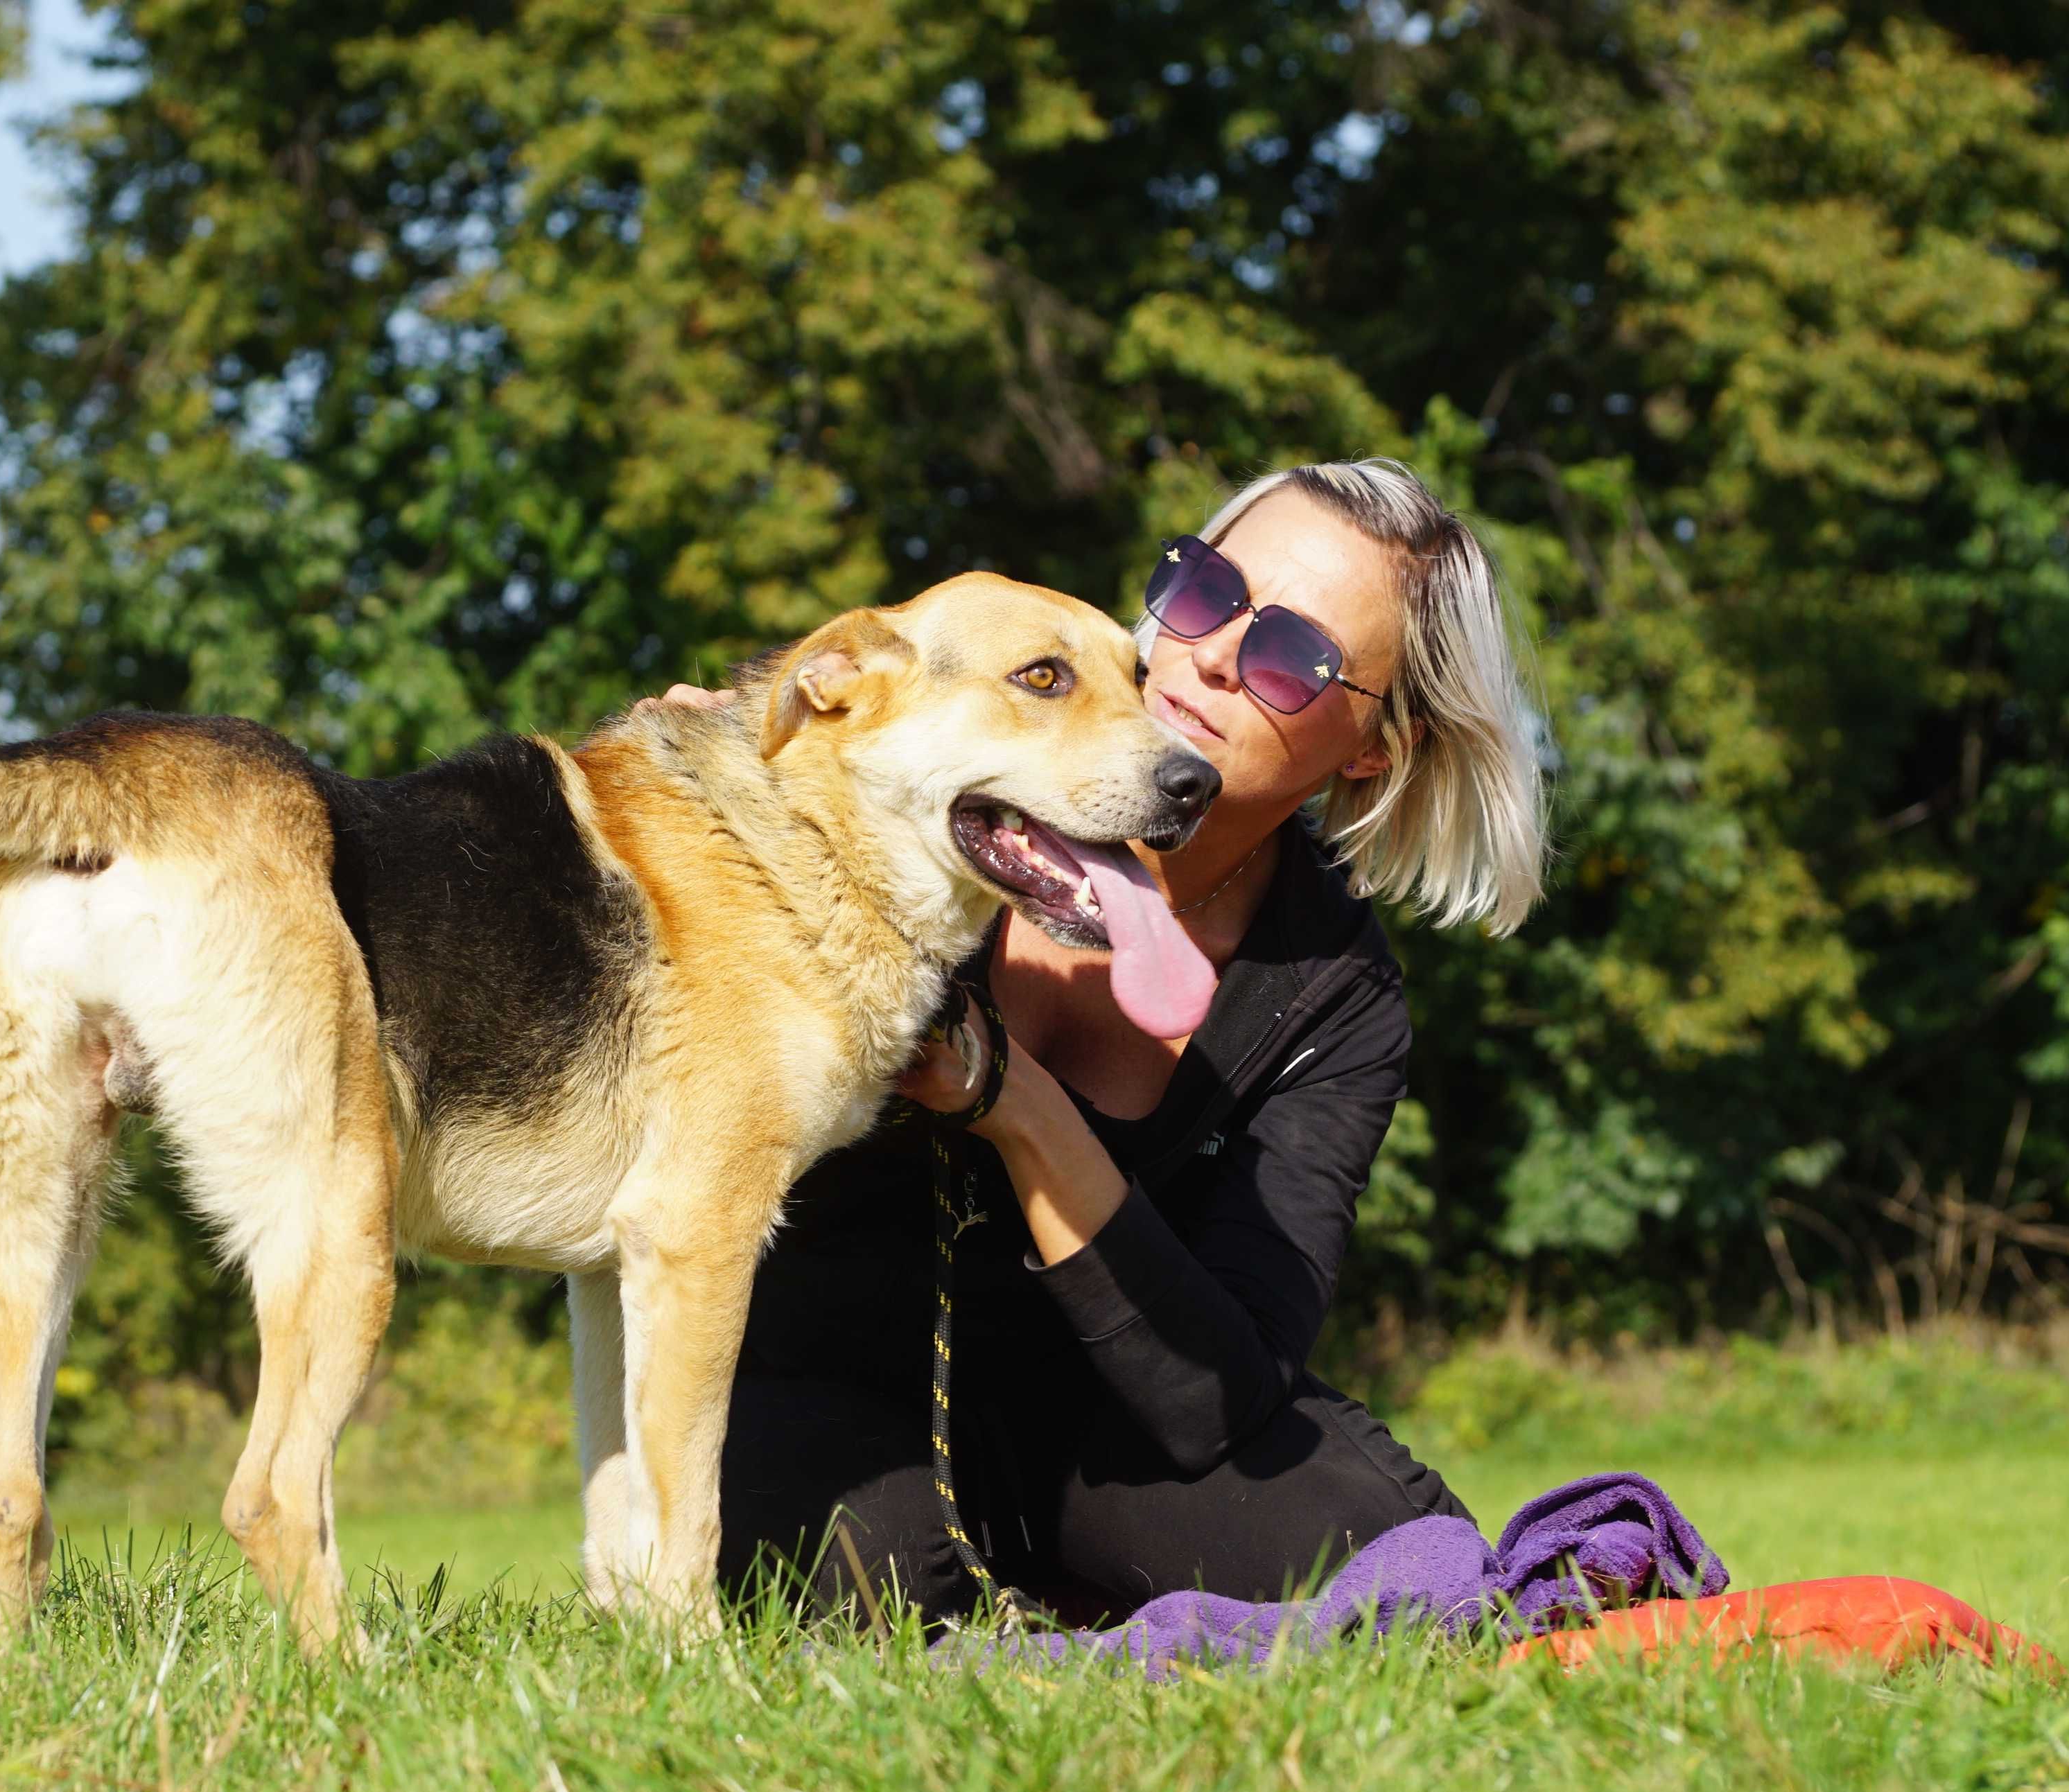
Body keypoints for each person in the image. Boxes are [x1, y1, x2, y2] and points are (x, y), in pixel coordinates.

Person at [656, 459, 1551, 1627]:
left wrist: (1017, 1108)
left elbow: (1216, 1398)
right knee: (854, 1598)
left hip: (1108, 1428)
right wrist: (713, 817)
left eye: (1293, 657)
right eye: (1207, 590)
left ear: (1376, 746)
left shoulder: (1337, 994)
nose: (1217, 655)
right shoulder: (926, 769)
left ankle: (1065, 1577)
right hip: (825, 1372)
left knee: (1397, 1559)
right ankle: (1019, 1590)